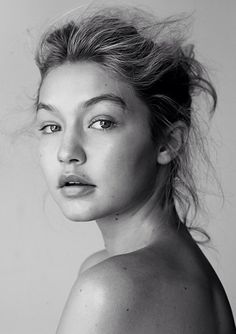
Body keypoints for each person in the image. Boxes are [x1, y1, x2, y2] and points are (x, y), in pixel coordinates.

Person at [33, 5, 235, 333]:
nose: (67, 152)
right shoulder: (186, 272)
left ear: (167, 142)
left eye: (101, 122)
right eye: (51, 126)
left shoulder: (109, 289)